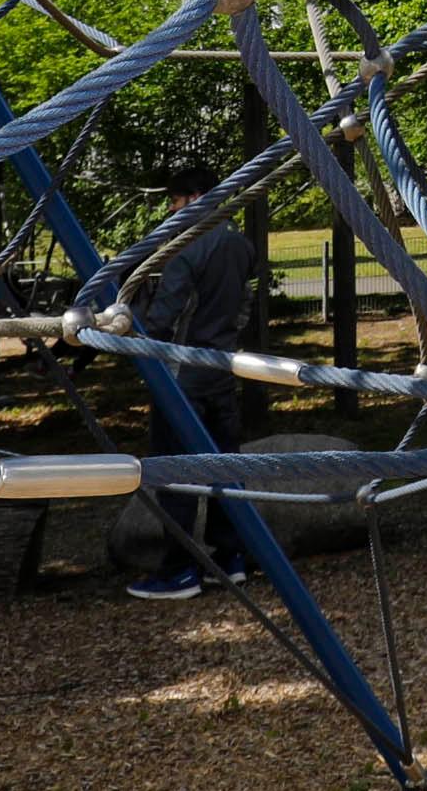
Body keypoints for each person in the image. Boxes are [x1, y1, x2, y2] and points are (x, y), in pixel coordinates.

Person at [122, 168, 260, 603]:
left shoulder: (185, 251)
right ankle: (231, 557)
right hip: (221, 366)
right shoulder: (241, 244)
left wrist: (133, 331)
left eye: (176, 200)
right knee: (224, 466)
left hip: (181, 374)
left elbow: (165, 317)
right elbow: (245, 306)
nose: (170, 208)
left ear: (197, 197)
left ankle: (179, 569)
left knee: (175, 470)